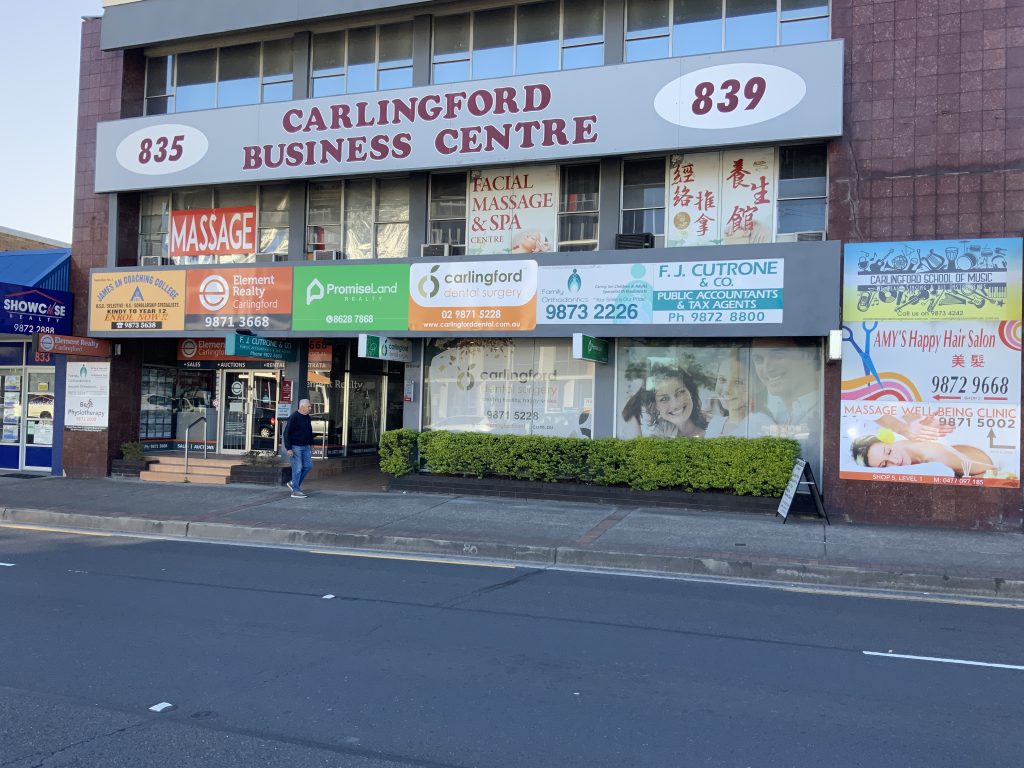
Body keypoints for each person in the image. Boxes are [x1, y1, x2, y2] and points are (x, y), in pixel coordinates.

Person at [850, 435, 997, 478]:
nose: (894, 461)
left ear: (888, 442)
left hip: (981, 459)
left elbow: (990, 468)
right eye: (884, 465)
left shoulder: (935, 457)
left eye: (888, 452)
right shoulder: (898, 446)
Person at [704, 350, 774, 438]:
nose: (727, 389)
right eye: (722, 380)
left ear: (757, 386)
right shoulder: (714, 424)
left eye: (737, 382)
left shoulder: (762, 425)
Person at [649, 365, 707, 438]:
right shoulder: (662, 429)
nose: (675, 405)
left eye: (680, 392)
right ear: (656, 406)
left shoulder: (716, 427)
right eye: (664, 399)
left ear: (690, 392)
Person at [283, 398, 314, 499]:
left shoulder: (307, 417)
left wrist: (311, 444)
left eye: (310, 406)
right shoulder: (294, 417)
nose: (310, 408)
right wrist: (288, 448)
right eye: (308, 406)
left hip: (305, 446)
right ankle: (295, 491)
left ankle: (293, 483)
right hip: (295, 446)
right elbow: (286, 433)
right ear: (302, 406)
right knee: (298, 468)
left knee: (308, 465)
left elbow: (309, 431)